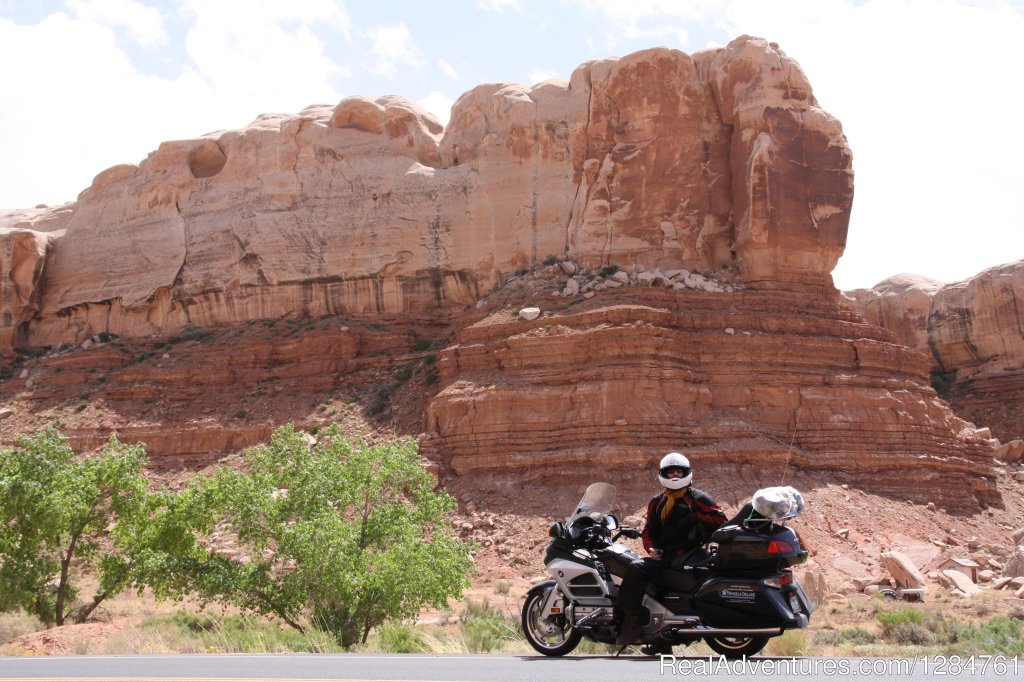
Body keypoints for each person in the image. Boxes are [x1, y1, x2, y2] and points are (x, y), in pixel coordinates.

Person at [615, 452, 728, 645]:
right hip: (665, 556)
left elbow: (721, 522)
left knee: (636, 568)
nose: (675, 475)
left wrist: (697, 517)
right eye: (670, 472)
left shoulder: (698, 498)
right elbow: (649, 530)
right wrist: (651, 550)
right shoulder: (657, 501)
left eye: (678, 471)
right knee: (636, 567)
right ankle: (659, 639)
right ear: (663, 474)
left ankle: (631, 622)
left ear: (687, 473)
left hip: (691, 554)